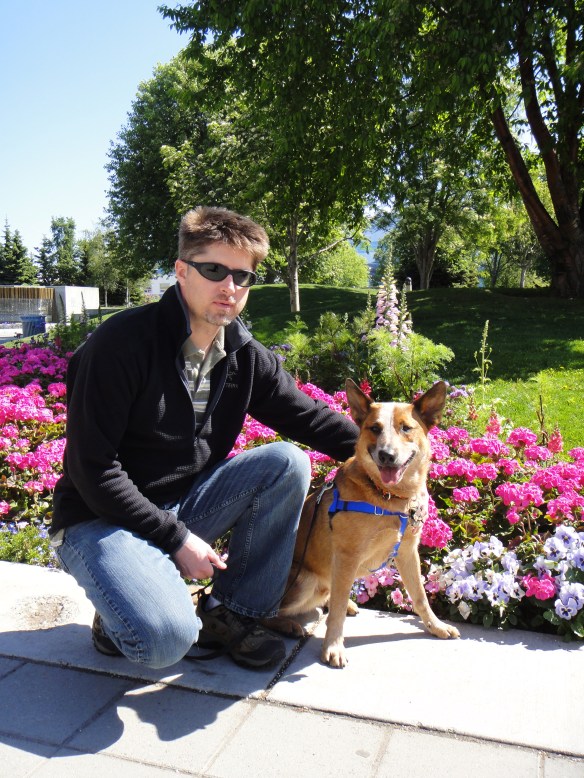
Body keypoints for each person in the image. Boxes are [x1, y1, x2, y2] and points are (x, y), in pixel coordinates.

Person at [50, 206, 359, 670]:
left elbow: (309, 418)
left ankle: (230, 613)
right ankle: (120, 608)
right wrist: (175, 539)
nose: (229, 286)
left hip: (184, 502)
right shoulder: (120, 346)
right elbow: (92, 470)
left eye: (243, 276)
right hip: (99, 517)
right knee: (163, 641)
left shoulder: (243, 355)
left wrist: (390, 457)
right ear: (181, 271)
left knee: (286, 462)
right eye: (214, 270)